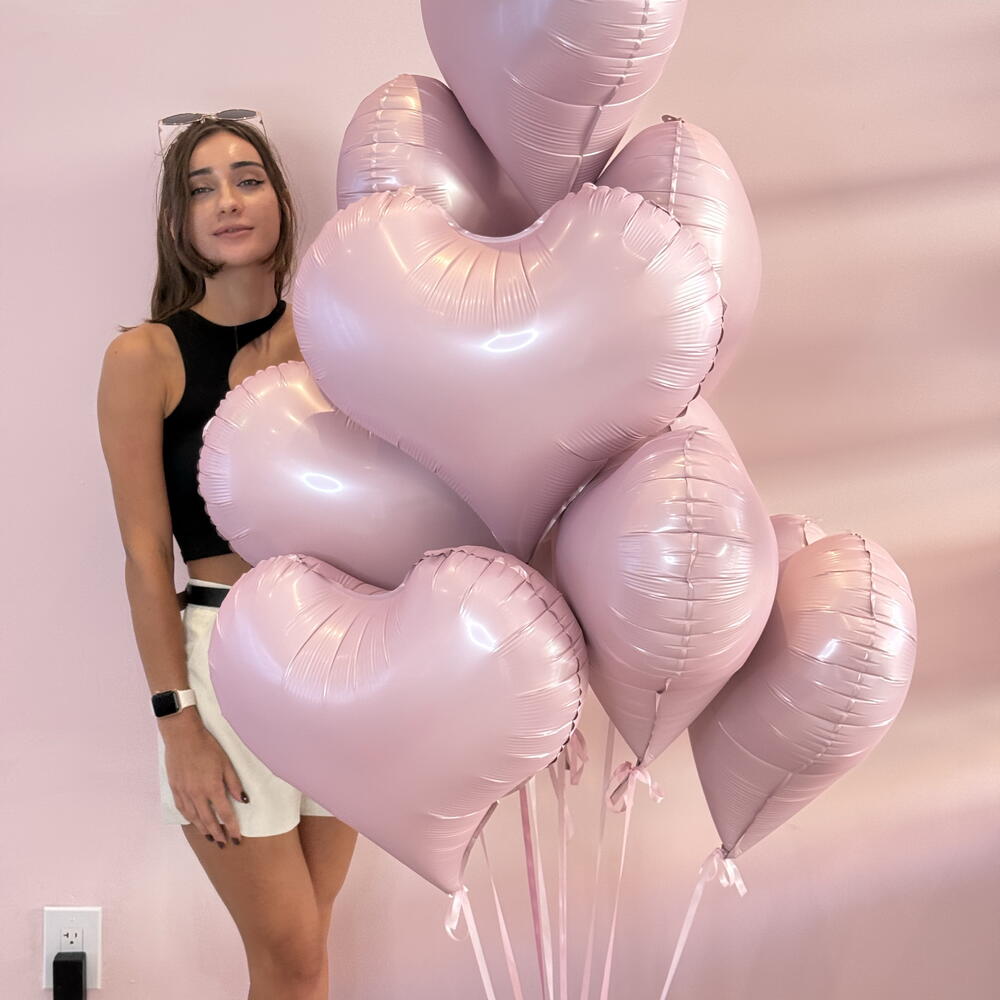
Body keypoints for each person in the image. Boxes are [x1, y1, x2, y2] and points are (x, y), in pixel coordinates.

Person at [97, 111, 358, 999]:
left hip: (338, 651)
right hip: (223, 659)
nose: (228, 202)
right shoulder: (145, 357)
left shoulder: (337, 342)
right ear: (179, 221)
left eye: (247, 179)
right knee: (291, 954)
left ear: (280, 200)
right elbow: (145, 558)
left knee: (307, 948)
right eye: (201, 188)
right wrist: (178, 725)